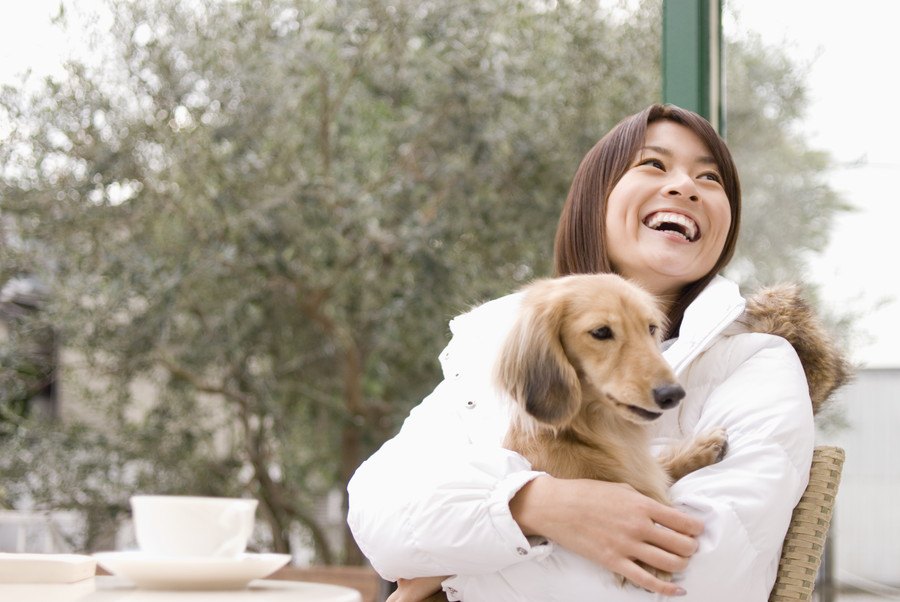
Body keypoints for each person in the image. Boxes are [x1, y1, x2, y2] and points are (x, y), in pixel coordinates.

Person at [346, 104, 848, 601]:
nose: (685, 186)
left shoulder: (757, 363)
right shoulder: (493, 348)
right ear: (595, 199)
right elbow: (378, 517)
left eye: (710, 178)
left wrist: (446, 573)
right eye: (653, 163)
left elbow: (689, 581)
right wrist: (534, 505)